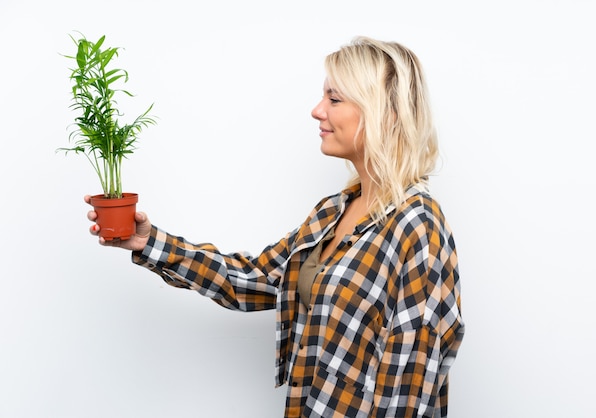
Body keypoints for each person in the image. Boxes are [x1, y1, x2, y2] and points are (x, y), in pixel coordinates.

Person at [86, 36, 464, 418]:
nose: (317, 111)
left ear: (386, 112)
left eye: (335, 99)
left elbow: (408, 392)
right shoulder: (333, 212)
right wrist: (150, 242)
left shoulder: (418, 228)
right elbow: (255, 278)